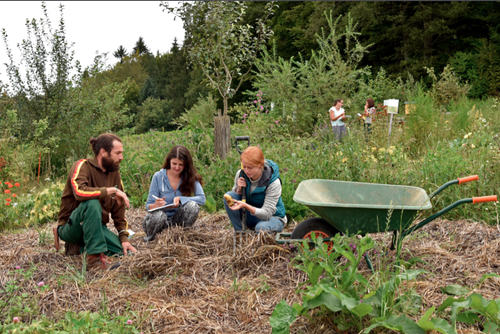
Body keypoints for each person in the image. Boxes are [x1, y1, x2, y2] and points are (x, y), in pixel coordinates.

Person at [56, 133, 137, 270]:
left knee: (126, 253)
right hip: (72, 226)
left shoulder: (114, 173)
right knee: (92, 202)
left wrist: (124, 238)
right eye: (117, 153)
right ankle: (94, 260)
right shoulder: (82, 166)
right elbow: (79, 192)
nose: (121, 157)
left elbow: (119, 211)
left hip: (97, 229)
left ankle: (83, 249)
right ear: (103, 152)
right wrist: (111, 190)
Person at [142, 145, 205, 242]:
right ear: (169, 161)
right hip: (159, 220)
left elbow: (202, 199)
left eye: (181, 165)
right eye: (174, 163)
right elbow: (148, 206)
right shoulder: (158, 176)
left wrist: (182, 199)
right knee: (159, 216)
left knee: (193, 206)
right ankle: (152, 240)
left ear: (186, 165)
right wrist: (155, 205)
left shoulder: (190, 177)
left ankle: (183, 237)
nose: (177, 167)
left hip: (177, 220)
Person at [223, 146, 286, 233]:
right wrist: (239, 190)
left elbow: (267, 214)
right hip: (252, 216)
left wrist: (245, 206)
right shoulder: (241, 174)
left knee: (261, 228)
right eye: (244, 167)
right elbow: (235, 199)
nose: (246, 170)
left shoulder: (273, 182)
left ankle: (260, 231)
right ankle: (239, 232)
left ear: (260, 165)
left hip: (272, 218)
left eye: (250, 168)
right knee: (230, 196)